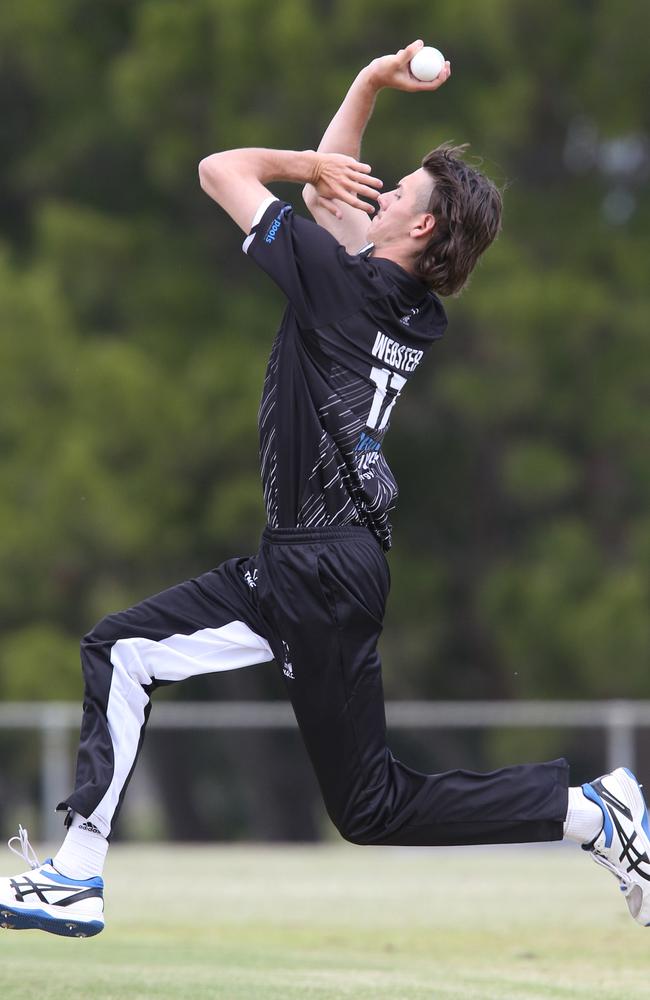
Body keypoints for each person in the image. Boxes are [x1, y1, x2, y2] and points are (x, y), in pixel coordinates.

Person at [1, 40, 649, 939]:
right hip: (322, 562)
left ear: (417, 230)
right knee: (133, 657)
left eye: (399, 195)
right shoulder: (402, 302)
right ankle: (76, 871)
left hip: (318, 565)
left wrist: (307, 160)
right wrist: (369, 84)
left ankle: (591, 812)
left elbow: (220, 168)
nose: (376, 193)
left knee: (358, 798)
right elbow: (326, 198)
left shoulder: (342, 291)